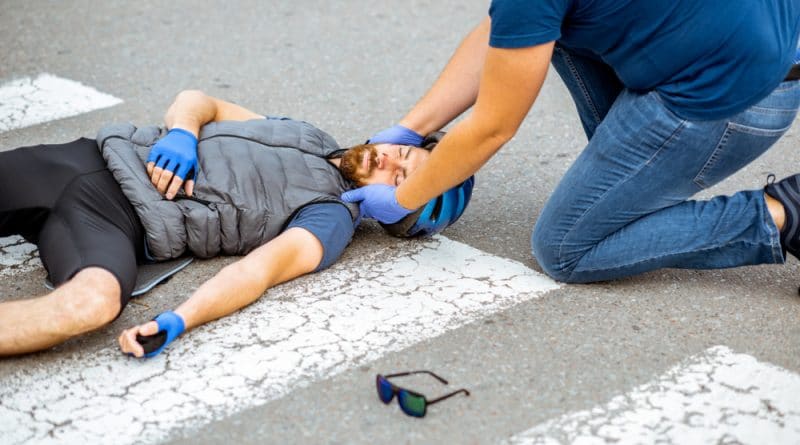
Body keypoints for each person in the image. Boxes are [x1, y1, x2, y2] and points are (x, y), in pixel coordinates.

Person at [342, 1, 800, 284]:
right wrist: (410, 127)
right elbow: (502, 31)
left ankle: (783, 212)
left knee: (565, 248)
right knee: (548, 31)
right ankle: (641, 182)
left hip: (740, 97)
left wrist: (404, 198)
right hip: (766, 45)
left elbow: (493, 127)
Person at [0, 90, 442, 357]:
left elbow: (257, 272)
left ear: (393, 208)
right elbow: (200, 101)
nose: (388, 158)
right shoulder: (308, 134)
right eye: (402, 152)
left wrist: (181, 319)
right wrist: (183, 133)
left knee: (90, 305)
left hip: (112, 224)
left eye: (398, 178)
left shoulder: (330, 218)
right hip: (84, 158)